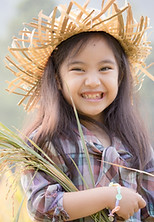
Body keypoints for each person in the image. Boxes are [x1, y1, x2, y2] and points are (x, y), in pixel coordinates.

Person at [6, 0, 154, 221]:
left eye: (105, 68)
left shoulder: (135, 142)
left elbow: (149, 209)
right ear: (57, 79)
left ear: (120, 75)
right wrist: (109, 196)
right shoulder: (46, 141)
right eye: (78, 69)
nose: (93, 81)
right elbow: (42, 206)